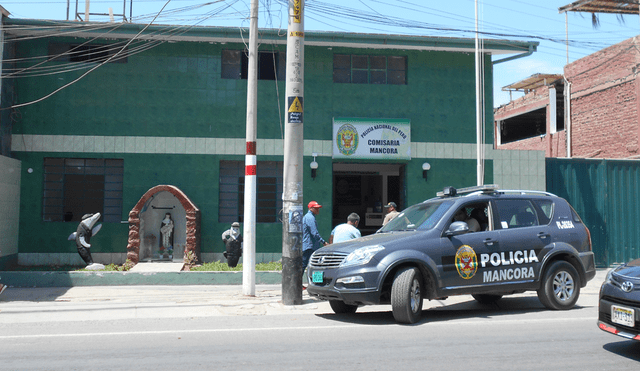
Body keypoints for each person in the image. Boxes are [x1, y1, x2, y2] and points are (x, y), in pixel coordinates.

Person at [302, 201, 328, 270]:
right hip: (310, 247)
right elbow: (314, 233)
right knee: (314, 265)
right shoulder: (310, 217)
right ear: (310, 208)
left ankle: (315, 280)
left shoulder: (309, 217)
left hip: (310, 246)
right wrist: (323, 242)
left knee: (308, 265)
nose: (318, 210)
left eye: (318, 208)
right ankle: (297, 280)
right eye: (316, 208)